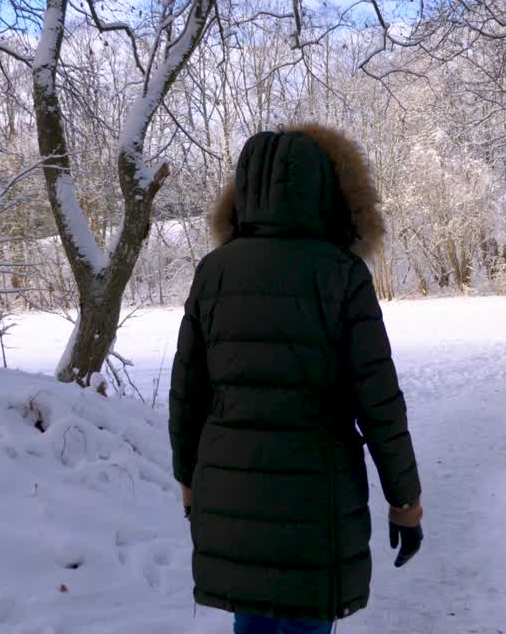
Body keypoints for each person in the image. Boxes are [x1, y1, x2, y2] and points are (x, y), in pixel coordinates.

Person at [169, 124, 424, 634]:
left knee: (253, 621)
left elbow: (188, 390)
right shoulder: (341, 273)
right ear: (332, 192)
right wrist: (406, 501)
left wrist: (188, 479)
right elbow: (379, 402)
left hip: (232, 489)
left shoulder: (214, 271)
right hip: (317, 498)